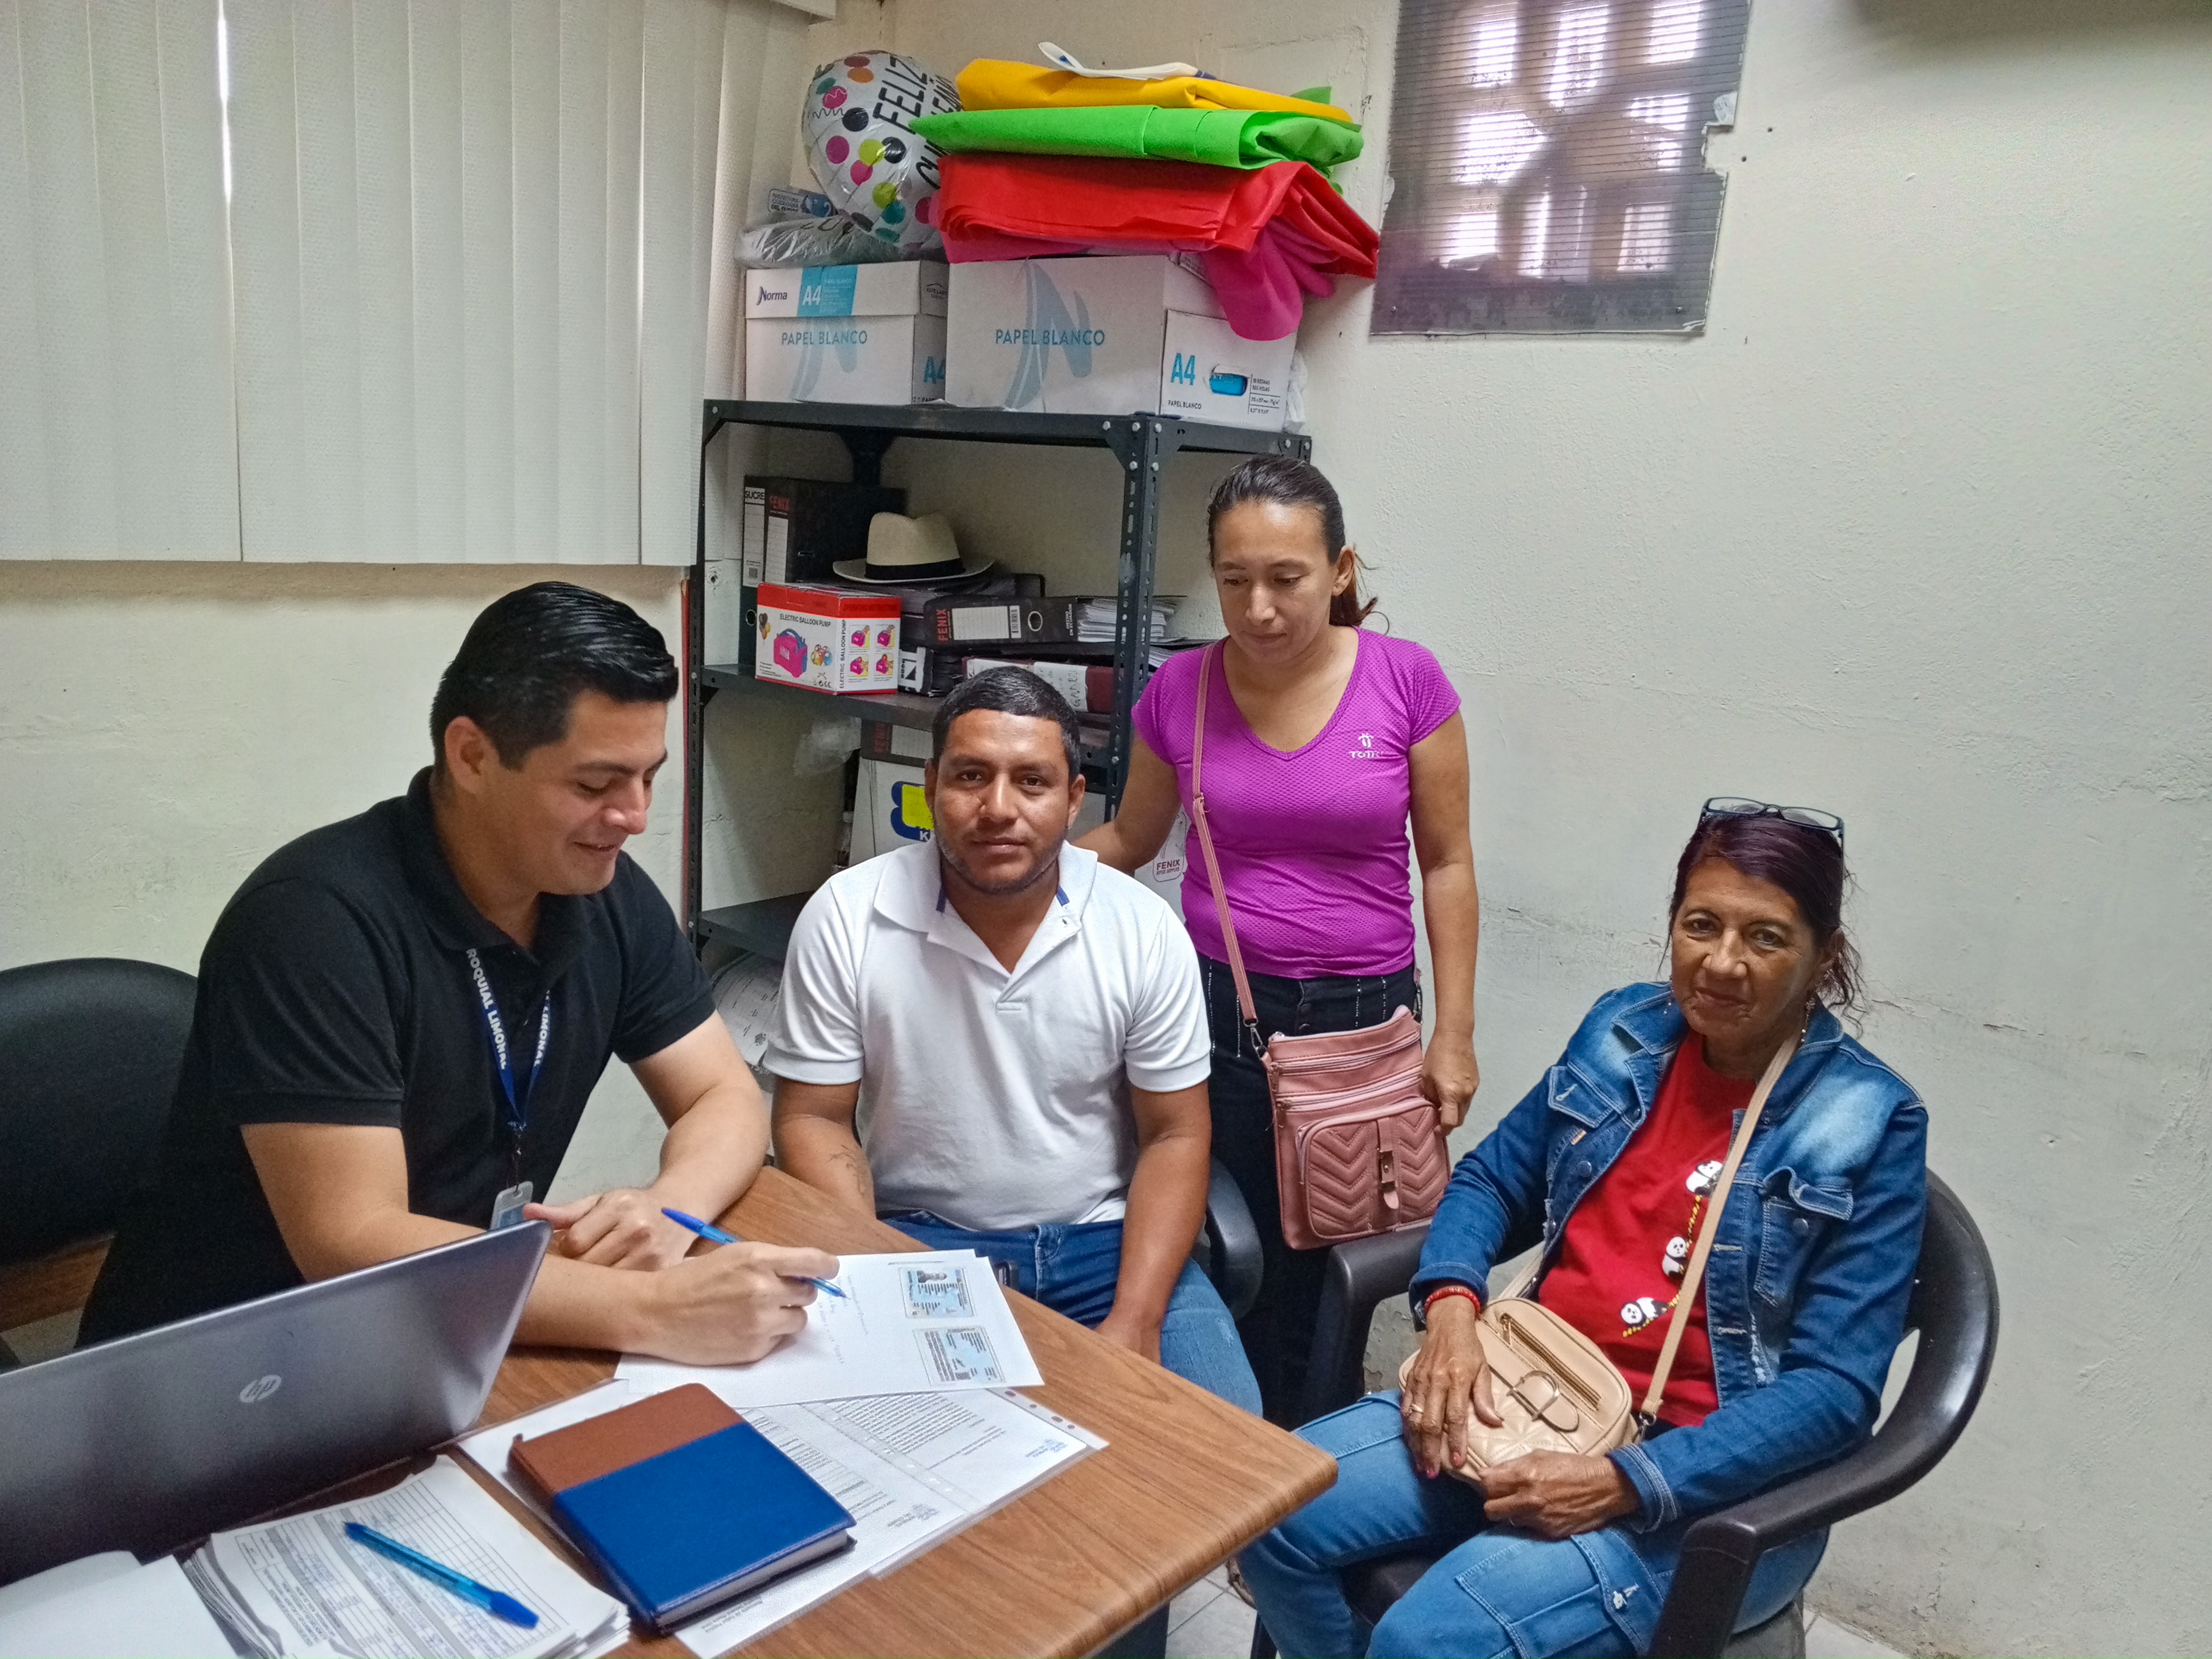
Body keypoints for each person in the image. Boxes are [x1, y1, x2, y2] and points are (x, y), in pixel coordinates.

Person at [1238, 801, 1929, 1659]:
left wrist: (1624, 1482)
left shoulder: (1869, 1120)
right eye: (1701, 925)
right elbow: (1492, 1180)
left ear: (1824, 956)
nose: (1723, 963)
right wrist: (1451, 1309)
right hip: (1527, 1394)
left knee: (1426, 1640)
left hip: (1699, 1480)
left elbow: (1833, 1393)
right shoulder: (1622, 1032)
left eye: (1766, 938)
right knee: (1267, 1510)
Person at [81, 583, 833, 1361]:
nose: (635, 816)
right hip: (231, 1364)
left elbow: (722, 1095)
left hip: (443, 1325)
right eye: (594, 785)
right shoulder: (311, 922)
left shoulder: (601, 892)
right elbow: (349, 1239)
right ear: (472, 755)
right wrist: (651, 1308)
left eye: (649, 776)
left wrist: (670, 1210)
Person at [1080, 454, 1480, 1422]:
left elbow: (1447, 863)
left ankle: (1316, 1463)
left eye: (1286, 578)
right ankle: (1234, 1450)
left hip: (1363, 1028)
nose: (1258, 608)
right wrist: (994, 867)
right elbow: (1130, 840)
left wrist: (1456, 1036)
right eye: (1235, 580)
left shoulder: (1408, 681)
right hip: (1216, 1014)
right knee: (1229, 1251)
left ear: (1339, 570)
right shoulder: (1181, 689)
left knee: (1336, 1272)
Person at [769, 669, 1262, 1412]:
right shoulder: (848, 915)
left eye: (1032, 781)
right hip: (922, 1244)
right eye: (971, 776)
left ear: (1074, 797)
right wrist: (879, 1275)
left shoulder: (1141, 928)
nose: (998, 808)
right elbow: (813, 1117)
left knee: (1223, 1444)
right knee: (917, 1444)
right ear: (931, 784)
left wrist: (1136, 1317)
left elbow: (1175, 1135)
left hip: (1107, 1248)